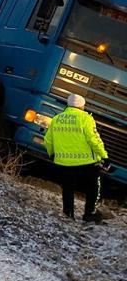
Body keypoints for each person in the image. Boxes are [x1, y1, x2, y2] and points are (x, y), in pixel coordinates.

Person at [44, 93, 108, 223]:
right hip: (86, 162)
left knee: (68, 188)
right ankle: (89, 213)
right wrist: (104, 156)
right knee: (93, 186)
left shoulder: (57, 118)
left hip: (64, 162)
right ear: (82, 106)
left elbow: (48, 140)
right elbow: (93, 140)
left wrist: (52, 154)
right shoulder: (86, 118)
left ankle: (68, 214)